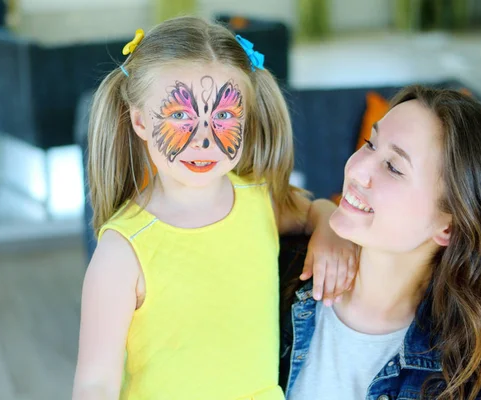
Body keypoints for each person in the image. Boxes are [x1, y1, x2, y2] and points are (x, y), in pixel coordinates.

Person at [72, 16, 357, 400]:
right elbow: (95, 384)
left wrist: (330, 228)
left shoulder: (260, 200)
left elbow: (312, 212)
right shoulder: (121, 251)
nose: (203, 140)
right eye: (179, 116)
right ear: (139, 121)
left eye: (222, 116)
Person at [281, 85, 481, 400]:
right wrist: (319, 212)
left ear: (448, 228)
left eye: (393, 167)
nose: (356, 169)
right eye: (370, 144)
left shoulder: (472, 378)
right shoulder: (283, 271)